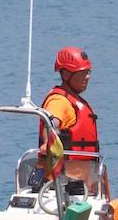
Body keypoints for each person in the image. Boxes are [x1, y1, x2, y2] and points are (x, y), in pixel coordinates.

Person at [39, 47, 100, 190]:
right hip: (65, 186)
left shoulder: (76, 100)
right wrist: (48, 141)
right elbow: (51, 122)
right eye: (82, 73)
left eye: (88, 72)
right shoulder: (59, 102)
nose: (87, 77)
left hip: (84, 183)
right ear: (66, 74)